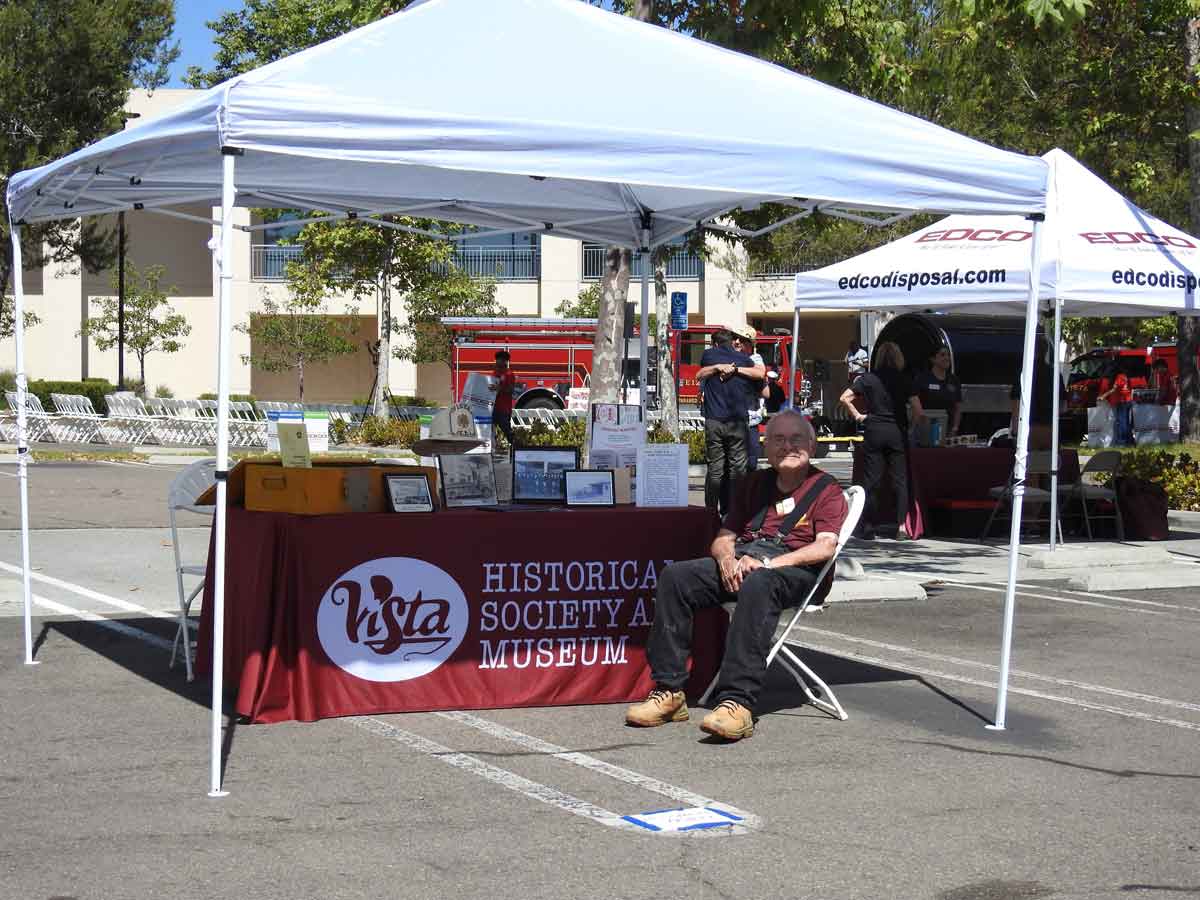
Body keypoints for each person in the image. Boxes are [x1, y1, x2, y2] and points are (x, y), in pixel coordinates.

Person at [625, 410, 847, 741]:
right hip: (746, 562)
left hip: (796, 573)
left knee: (759, 582)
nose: (788, 446)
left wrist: (771, 564)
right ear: (766, 446)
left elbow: (825, 548)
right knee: (676, 577)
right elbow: (725, 536)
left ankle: (736, 703)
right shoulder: (754, 484)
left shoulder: (826, 490)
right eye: (779, 439)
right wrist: (727, 559)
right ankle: (669, 690)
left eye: (797, 439)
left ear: (812, 446)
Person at [840, 341, 916, 540]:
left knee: (871, 480)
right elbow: (918, 409)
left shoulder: (868, 378)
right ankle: (900, 527)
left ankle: (869, 526)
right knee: (899, 480)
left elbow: (844, 398)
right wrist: (911, 425)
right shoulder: (905, 379)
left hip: (874, 429)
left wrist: (858, 416)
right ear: (899, 358)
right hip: (897, 431)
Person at [696, 329, 763, 517]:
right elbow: (760, 378)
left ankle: (709, 512)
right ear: (733, 342)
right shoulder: (744, 360)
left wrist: (718, 367)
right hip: (738, 422)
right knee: (737, 470)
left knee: (715, 469)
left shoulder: (708, 355)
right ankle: (735, 512)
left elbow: (700, 374)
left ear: (714, 343)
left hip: (714, 421)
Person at [731, 324, 766, 470]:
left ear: (750, 344)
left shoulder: (755, 358)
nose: (737, 342)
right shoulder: (728, 359)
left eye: (742, 339)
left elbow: (759, 373)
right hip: (730, 422)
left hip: (750, 422)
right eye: (734, 338)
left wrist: (736, 370)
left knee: (751, 463)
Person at [912, 345, 962, 442]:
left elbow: (958, 407)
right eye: (942, 355)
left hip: (948, 433)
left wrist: (955, 428)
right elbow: (914, 405)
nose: (947, 358)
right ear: (933, 359)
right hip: (926, 430)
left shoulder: (953, 380)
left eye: (948, 355)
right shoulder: (922, 379)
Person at [1097, 361, 1133, 446]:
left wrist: (1103, 396)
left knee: (1121, 422)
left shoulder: (1119, 377)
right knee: (1127, 422)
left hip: (1122, 401)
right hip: (1128, 401)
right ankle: (1129, 441)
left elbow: (1114, 389)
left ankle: (1121, 442)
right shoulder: (1125, 376)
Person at [488, 350, 516, 447]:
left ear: (504, 361)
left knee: (506, 430)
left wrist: (499, 388)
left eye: (499, 360)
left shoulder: (509, 374)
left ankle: (515, 447)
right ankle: (494, 447)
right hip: (493, 407)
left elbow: (511, 389)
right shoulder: (494, 373)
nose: (496, 362)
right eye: (496, 360)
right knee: (491, 430)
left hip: (504, 409)